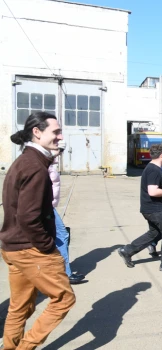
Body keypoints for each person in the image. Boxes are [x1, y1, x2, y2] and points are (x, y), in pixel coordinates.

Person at [0, 111, 76, 350]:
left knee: (20, 306)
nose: (60, 136)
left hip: (13, 248)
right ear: (37, 132)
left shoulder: (25, 161)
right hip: (30, 249)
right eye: (55, 132)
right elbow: (28, 217)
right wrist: (48, 247)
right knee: (64, 299)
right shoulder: (34, 167)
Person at [117, 143, 162, 272]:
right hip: (157, 209)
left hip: (152, 208)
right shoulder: (153, 170)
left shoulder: (155, 169)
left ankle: (127, 251)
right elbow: (152, 191)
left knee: (154, 233)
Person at [49, 140, 86, 284]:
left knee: (58, 235)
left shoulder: (49, 163)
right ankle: (65, 273)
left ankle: (60, 270)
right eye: (58, 150)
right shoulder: (41, 163)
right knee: (62, 235)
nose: (59, 153)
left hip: (47, 206)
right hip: (43, 207)